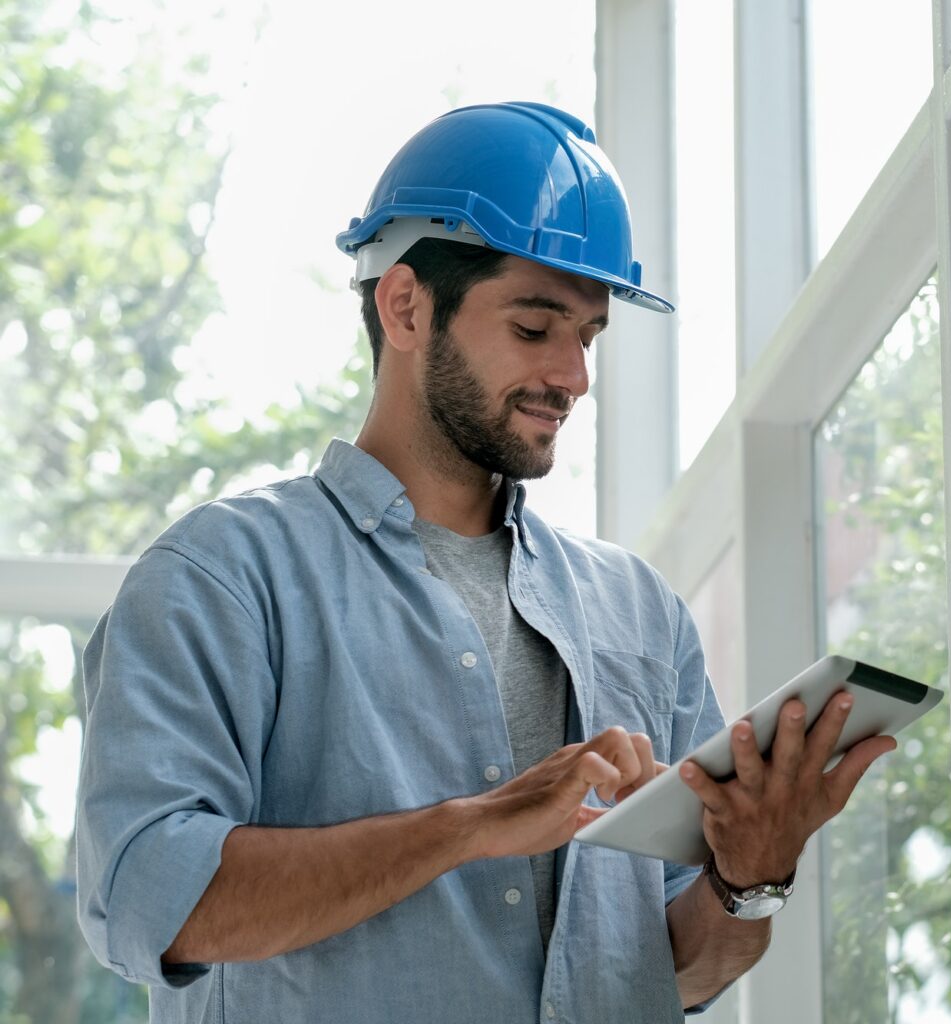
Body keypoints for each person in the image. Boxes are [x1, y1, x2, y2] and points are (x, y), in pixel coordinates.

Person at [74, 101, 896, 1023]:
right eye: (536, 328)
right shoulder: (222, 578)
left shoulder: (638, 613)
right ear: (407, 305)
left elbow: (679, 972)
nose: (573, 376)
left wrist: (752, 876)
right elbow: (145, 901)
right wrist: (471, 827)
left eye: (587, 338)